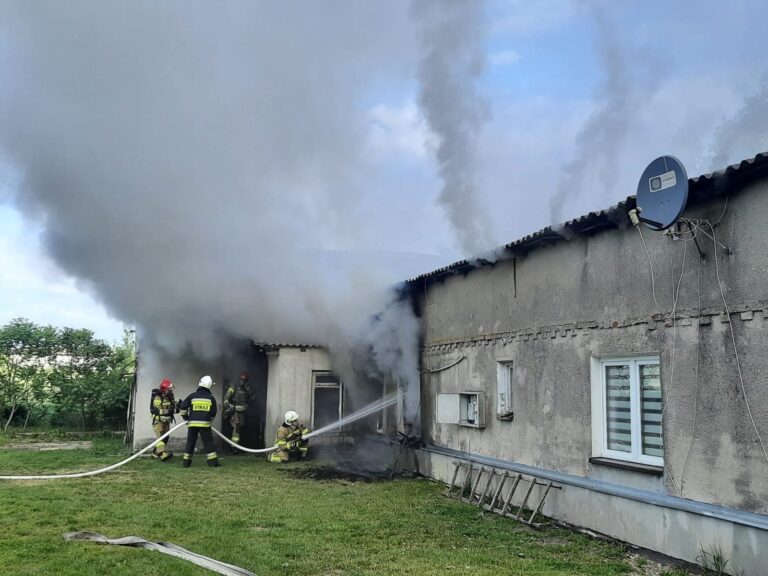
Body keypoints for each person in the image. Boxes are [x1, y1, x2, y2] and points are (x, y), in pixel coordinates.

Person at [178, 375, 220, 468]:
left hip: (192, 424)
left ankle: (186, 463)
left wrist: (186, 418)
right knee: (209, 443)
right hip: (205, 425)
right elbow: (213, 413)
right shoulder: (211, 398)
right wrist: (210, 421)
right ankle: (213, 463)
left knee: (190, 443)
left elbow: (182, 407)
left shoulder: (192, 396)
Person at [223, 372, 253, 447]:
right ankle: (233, 446)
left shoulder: (247, 388)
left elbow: (253, 398)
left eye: (244, 380)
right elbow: (228, 394)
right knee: (236, 425)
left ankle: (236, 444)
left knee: (239, 427)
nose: (242, 382)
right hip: (233, 409)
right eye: (241, 380)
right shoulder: (234, 386)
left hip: (242, 409)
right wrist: (226, 401)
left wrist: (248, 389)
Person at [150, 378, 176, 462]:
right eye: (169, 389)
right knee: (160, 438)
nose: (171, 391)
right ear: (164, 389)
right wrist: (168, 411)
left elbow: (173, 408)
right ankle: (163, 454)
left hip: (166, 421)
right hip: (158, 422)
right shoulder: (158, 398)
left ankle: (154, 453)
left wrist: (178, 406)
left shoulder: (169, 398)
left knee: (165, 437)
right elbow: (157, 410)